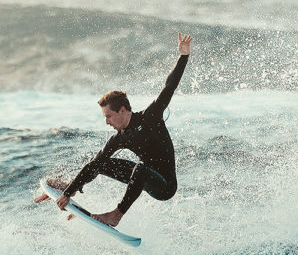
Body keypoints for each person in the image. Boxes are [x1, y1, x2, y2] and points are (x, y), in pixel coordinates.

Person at [36, 32, 192, 227]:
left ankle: (116, 215)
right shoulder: (120, 138)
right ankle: (71, 185)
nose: (107, 122)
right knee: (99, 162)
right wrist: (68, 192)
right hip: (143, 176)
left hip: (165, 186)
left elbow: (169, 86)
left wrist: (183, 56)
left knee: (141, 169)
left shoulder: (150, 116)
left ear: (123, 110)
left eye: (108, 116)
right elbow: (94, 164)